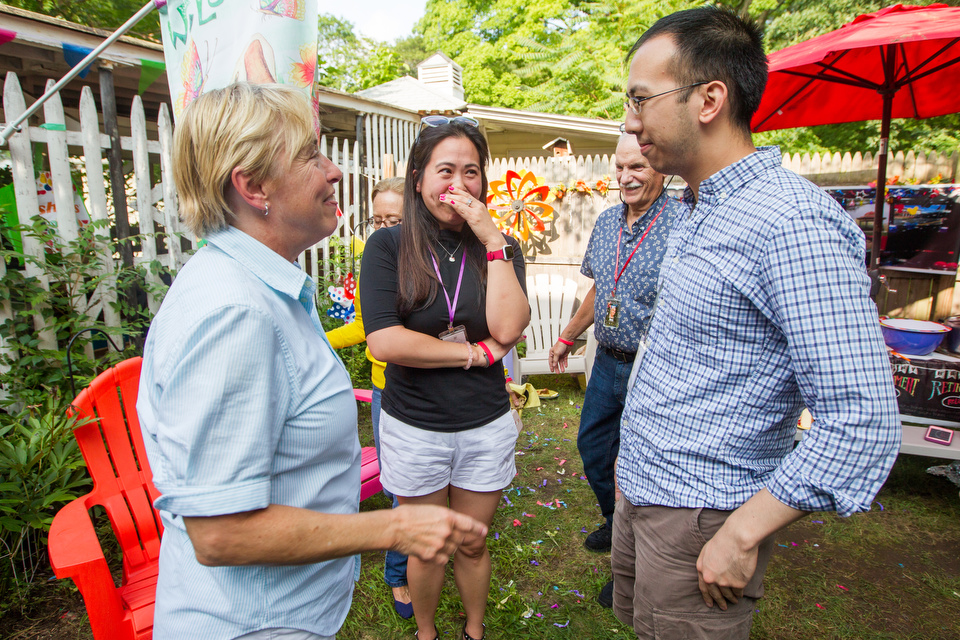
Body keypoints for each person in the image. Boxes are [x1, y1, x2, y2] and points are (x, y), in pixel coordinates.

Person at [137, 83, 486, 640]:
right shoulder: (234, 314)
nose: (335, 171)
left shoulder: (260, 289)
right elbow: (220, 532)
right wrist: (394, 526)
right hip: (253, 624)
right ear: (253, 187)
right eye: (310, 155)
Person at [616, 8, 900, 639]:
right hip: (648, 490)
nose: (630, 123)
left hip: (704, 515)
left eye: (641, 99)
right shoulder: (695, 205)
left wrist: (742, 533)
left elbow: (862, 418)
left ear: (709, 99)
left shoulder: (790, 224)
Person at [360, 115, 529, 640]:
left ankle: (473, 632)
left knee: (474, 541)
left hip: (484, 424)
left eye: (471, 172)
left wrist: (492, 240)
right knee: (428, 545)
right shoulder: (388, 246)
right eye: (445, 170)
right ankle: (427, 633)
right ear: (418, 178)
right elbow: (386, 341)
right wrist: (475, 356)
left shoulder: (500, 248)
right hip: (415, 426)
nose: (458, 185)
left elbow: (508, 326)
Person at [547, 134, 683, 608]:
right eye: (620, 167)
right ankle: (616, 520)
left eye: (638, 168)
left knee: (642, 467)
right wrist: (568, 335)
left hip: (655, 367)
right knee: (593, 445)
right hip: (608, 360)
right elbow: (602, 290)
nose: (626, 177)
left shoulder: (683, 220)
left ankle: (634, 562)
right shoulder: (607, 222)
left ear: (661, 169)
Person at [325, 176, 414, 619]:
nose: (382, 229)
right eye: (376, 220)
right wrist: (318, 339)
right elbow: (364, 325)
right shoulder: (371, 261)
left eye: (394, 219)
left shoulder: (432, 260)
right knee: (400, 486)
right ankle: (398, 575)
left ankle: (425, 552)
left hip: (430, 389)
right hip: (387, 391)